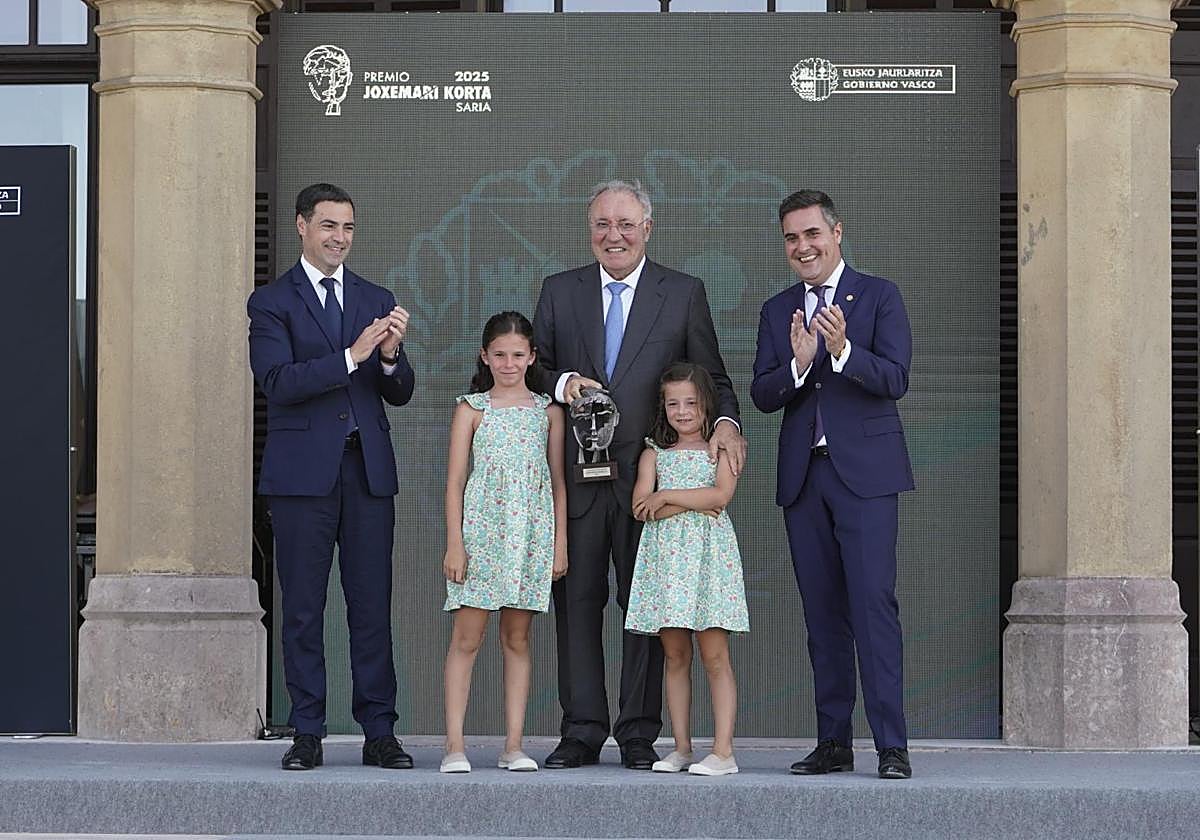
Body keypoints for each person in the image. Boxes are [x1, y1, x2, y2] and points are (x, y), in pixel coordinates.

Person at [532, 178, 746, 771]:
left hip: (653, 488)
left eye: (626, 224)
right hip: (576, 476)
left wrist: (726, 421)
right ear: (589, 229)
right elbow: (534, 368)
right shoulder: (559, 291)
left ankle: (637, 732)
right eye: (603, 224)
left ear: (647, 229)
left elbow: (714, 377)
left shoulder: (681, 293)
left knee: (647, 608)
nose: (614, 235)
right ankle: (580, 730)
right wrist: (560, 384)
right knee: (576, 603)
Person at [248, 183, 415, 771]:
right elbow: (277, 382)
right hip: (300, 479)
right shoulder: (271, 302)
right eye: (328, 226)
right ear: (301, 226)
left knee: (371, 606)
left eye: (347, 227)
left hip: (366, 473)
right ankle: (307, 732)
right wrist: (352, 355)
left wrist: (390, 356)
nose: (339, 238)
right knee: (303, 609)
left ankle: (379, 732)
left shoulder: (375, 296)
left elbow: (399, 392)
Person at [751, 189, 915, 780]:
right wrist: (798, 364)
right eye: (792, 238)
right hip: (805, 481)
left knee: (873, 608)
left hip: (866, 480)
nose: (803, 247)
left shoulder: (878, 295)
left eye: (812, 234)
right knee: (822, 614)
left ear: (836, 233)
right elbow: (763, 394)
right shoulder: (777, 311)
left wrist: (843, 349)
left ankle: (891, 745)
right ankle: (834, 741)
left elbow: (895, 378)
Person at [440, 311, 568, 774]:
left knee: (517, 638)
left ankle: (513, 744)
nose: (509, 363)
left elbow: (557, 482)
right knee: (467, 638)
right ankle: (455, 744)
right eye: (500, 354)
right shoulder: (471, 408)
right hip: (481, 535)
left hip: (530, 536)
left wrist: (560, 544)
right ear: (485, 356)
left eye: (518, 355)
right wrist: (455, 543)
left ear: (532, 357)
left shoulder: (547, 411)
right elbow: (455, 482)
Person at [625, 363, 749, 777]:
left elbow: (720, 496)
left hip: (707, 564)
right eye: (673, 403)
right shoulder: (652, 453)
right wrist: (677, 501)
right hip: (667, 568)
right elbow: (641, 506)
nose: (682, 411)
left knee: (714, 655)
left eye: (691, 402)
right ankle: (681, 748)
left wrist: (668, 496)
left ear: (706, 405)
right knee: (675, 655)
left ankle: (724, 751)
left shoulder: (722, 449)